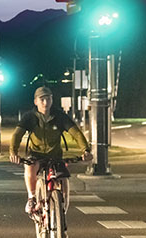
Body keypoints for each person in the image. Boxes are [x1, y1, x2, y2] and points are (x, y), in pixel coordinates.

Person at [9, 86, 92, 216]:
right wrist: (13, 153)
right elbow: (17, 135)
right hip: (35, 154)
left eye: (48, 99)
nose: (45, 102)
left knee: (63, 177)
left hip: (55, 155)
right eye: (42, 99)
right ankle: (31, 198)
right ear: (35, 101)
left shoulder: (60, 116)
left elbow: (76, 133)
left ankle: (61, 206)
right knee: (30, 167)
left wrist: (85, 150)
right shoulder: (29, 117)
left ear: (52, 100)